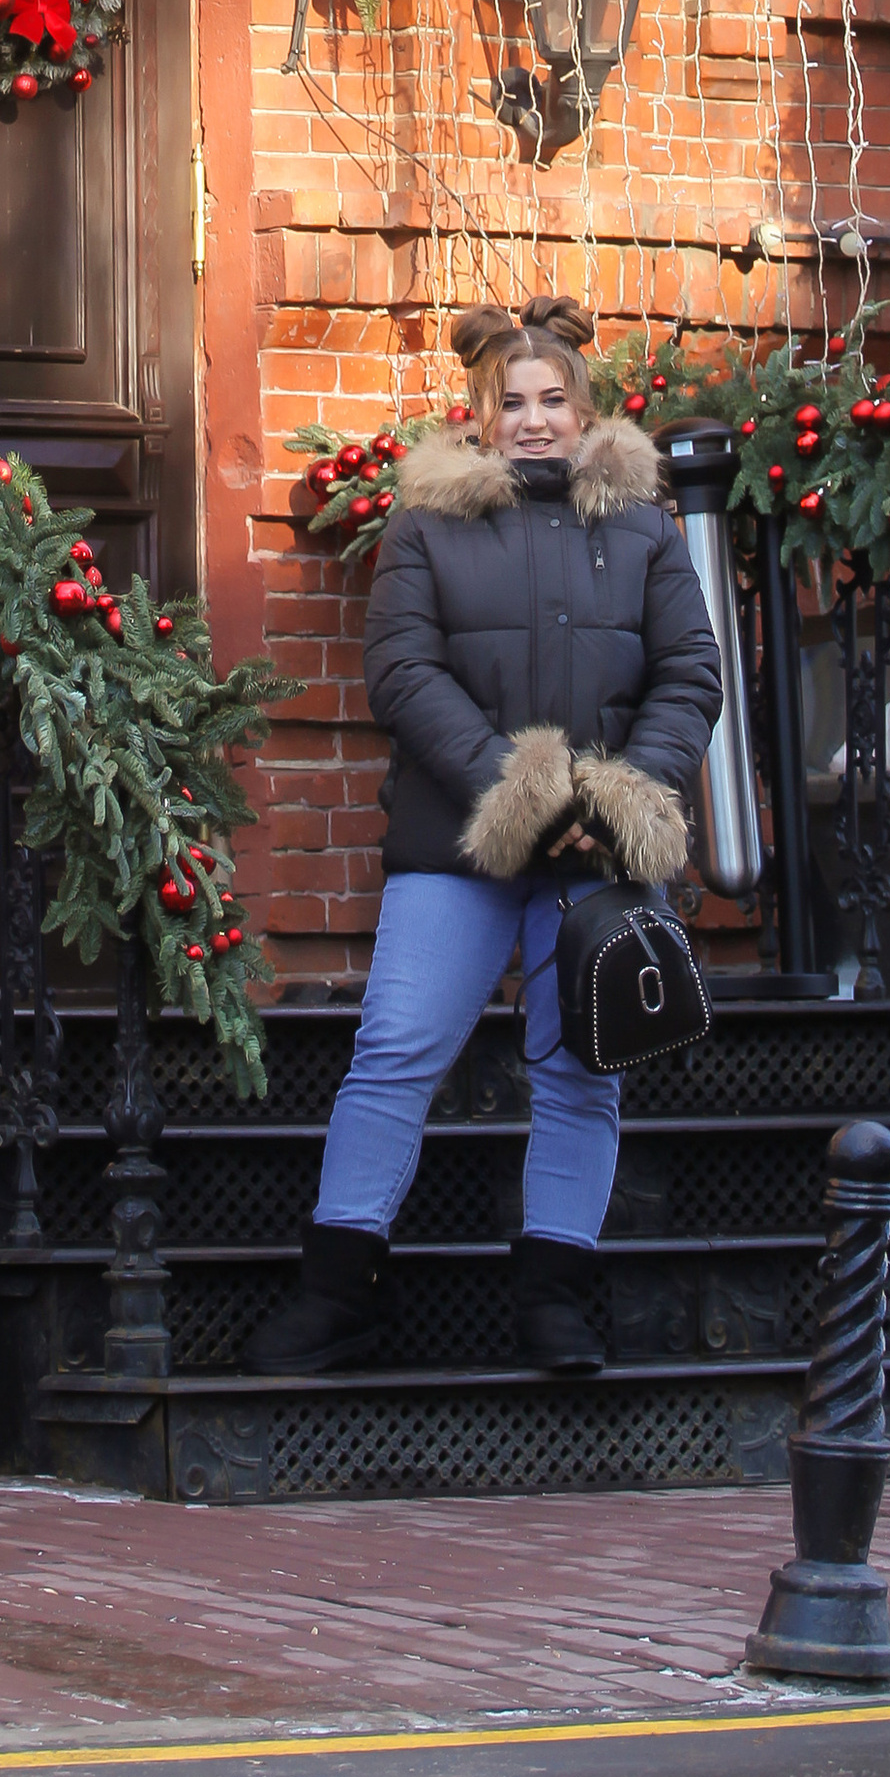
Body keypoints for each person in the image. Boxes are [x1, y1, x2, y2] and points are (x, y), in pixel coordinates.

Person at [246, 299, 723, 1379]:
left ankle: (556, 1299)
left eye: (553, 400)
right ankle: (338, 1294)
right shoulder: (428, 527)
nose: (535, 420)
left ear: (582, 407)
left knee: (580, 1071)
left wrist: (607, 800)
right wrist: (525, 795)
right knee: (394, 1052)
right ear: (481, 415)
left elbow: (689, 673)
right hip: (457, 842)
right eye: (512, 403)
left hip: (596, 856)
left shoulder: (643, 528)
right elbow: (404, 675)